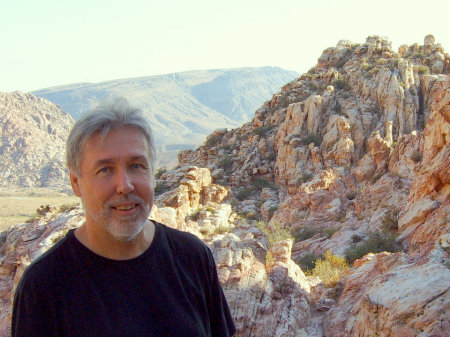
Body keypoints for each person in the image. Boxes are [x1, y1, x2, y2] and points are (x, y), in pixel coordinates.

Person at [12, 97, 236, 337]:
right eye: (105, 169)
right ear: (76, 183)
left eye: (136, 165)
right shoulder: (44, 285)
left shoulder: (192, 256)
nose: (124, 185)